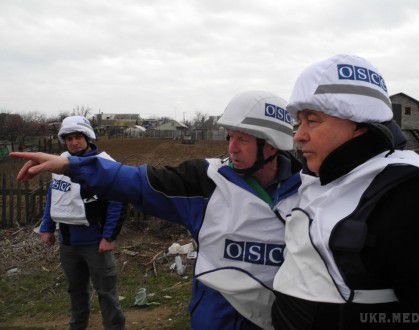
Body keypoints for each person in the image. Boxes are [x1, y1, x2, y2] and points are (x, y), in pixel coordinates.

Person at [11, 91, 302, 329]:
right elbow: (136, 182)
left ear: (273, 145)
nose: (232, 147)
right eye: (229, 137)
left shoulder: (312, 193)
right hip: (217, 322)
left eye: (244, 139)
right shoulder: (206, 181)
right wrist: (70, 165)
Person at [271, 54, 419, 329]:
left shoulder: (415, 192)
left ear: (360, 125)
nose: (298, 135)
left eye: (312, 120)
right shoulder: (321, 179)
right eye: (298, 121)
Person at [40, 116, 126, 330]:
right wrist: (47, 227)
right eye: (69, 138)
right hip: (68, 242)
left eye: (78, 137)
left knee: (106, 293)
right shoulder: (61, 162)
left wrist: (109, 236)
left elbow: (118, 201)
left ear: (87, 137)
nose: (73, 142)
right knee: (76, 292)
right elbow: (55, 195)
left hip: (95, 241)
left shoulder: (104, 163)